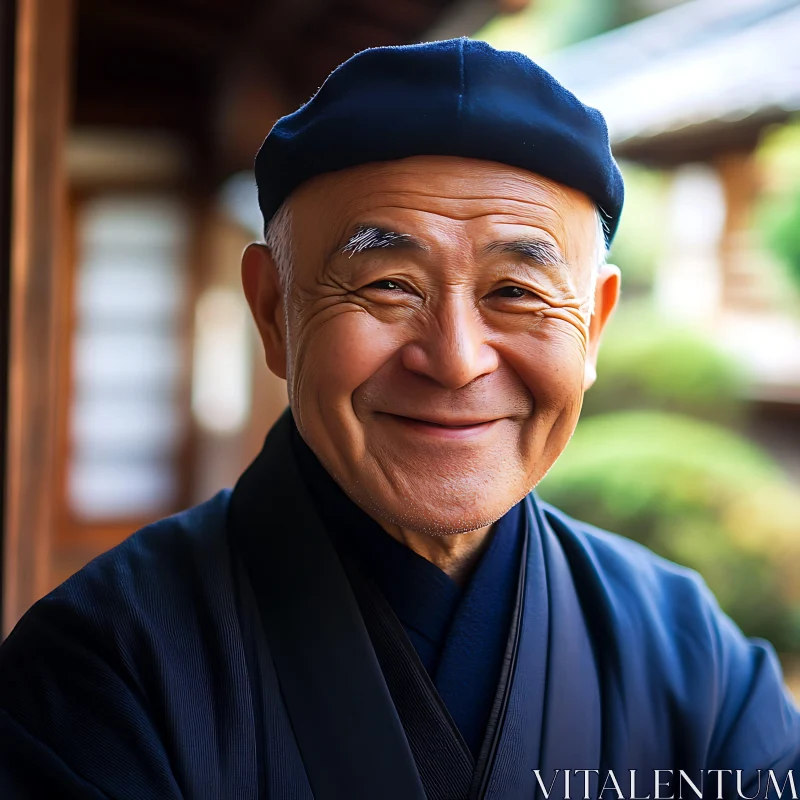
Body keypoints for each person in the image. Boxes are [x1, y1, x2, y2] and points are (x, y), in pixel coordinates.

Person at [1, 38, 798, 800]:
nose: (455, 360)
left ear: (593, 325)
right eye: (388, 284)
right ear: (273, 311)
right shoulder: (103, 665)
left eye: (515, 292)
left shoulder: (695, 660)